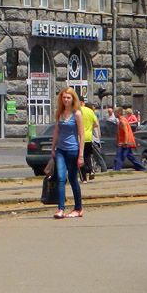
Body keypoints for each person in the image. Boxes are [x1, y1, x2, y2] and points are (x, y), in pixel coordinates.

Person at [48, 87, 85, 219]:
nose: (66, 100)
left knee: (73, 179)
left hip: (73, 150)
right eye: (64, 97)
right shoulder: (60, 113)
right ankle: (60, 209)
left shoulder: (77, 114)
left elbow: (81, 135)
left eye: (68, 97)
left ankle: (78, 208)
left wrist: (81, 155)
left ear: (73, 99)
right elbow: (56, 132)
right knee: (60, 179)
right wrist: (52, 148)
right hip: (61, 150)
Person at [113, 106, 147, 171]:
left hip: (125, 143)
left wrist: (125, 143)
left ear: (119, 113)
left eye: (115, 112)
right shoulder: (121, 120)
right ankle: (142, 168)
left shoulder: (122, 121)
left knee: (119, 157)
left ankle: (116, 170)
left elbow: (126, 132)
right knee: (130, 157)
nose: (114, 114)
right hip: (124, 142)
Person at [80, 101, 101, 181]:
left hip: (79, 138)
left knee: (81, 157)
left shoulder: (77, 111)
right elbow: (96, 124)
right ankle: (92, 170)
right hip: (88, 137)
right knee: (88, 156)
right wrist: (89, 127)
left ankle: (83, 177)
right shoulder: (90, 111)